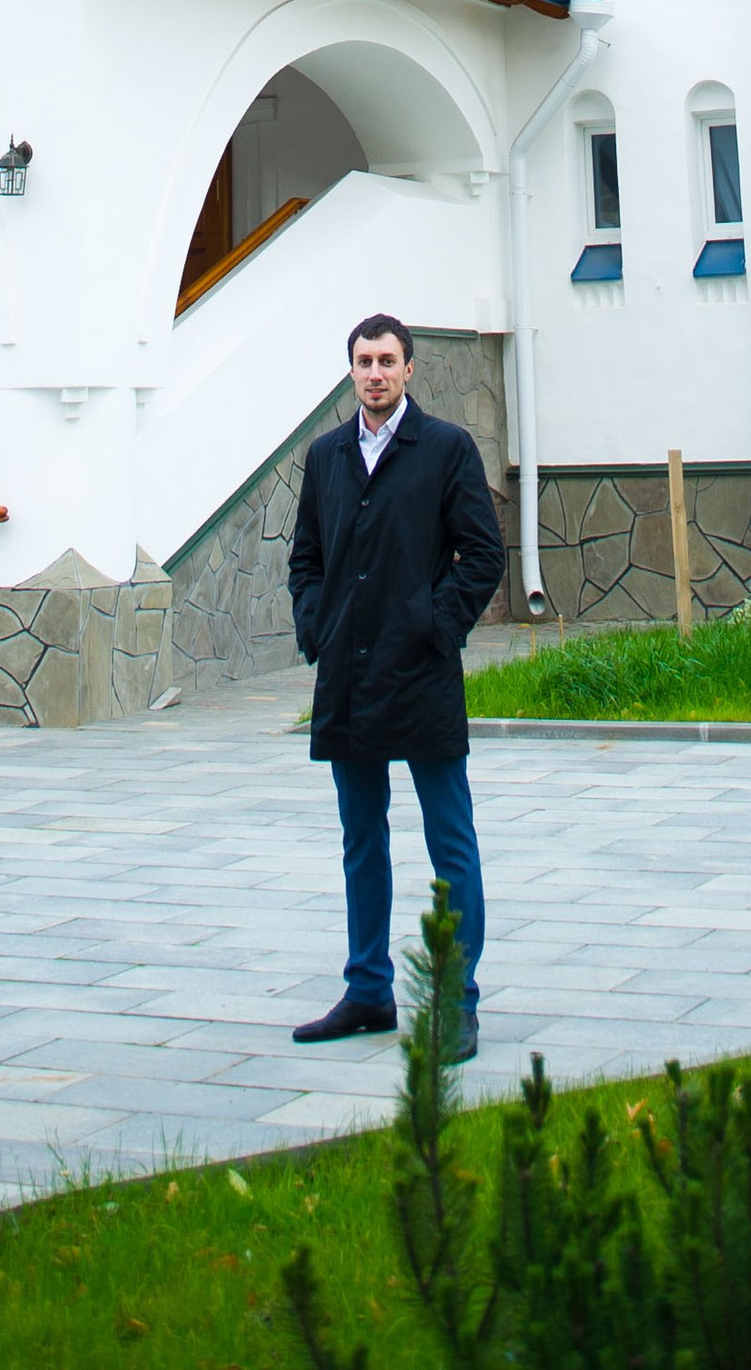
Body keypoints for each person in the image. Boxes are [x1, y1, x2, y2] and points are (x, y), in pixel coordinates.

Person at [286, 311, 506, 1057]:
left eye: (387, 361)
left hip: (421, 672)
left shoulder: (446, 448)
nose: (375, 373)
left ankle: (456, 1000)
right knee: (361, 839)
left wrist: (434, 625)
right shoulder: (326, 455)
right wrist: (316, 627)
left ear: (410, 368)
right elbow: (306, 558)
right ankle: (368, 991)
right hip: (348, 675)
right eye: (364, 361)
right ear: (351, 371)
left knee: (451, 841)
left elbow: (482, 554)